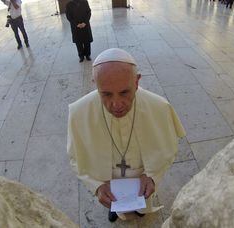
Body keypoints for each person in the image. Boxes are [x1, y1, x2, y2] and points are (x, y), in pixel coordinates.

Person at [67, 48, 186, 222]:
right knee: (112, 203)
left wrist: (152, 176)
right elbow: (75, 158)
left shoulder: (159, 107)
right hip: (108, 183)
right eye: (106, 94)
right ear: (95, 83)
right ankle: (115, 209)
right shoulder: (79, 112)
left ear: (137, 82)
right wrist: (97, 187)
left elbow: (168, 148)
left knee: (142, 205)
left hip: (143, 179)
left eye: (124, 92)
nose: (116, 104)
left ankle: (140, 207)